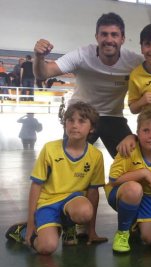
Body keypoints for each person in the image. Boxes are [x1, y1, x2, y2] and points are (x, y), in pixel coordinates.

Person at [33, 12, 151, 158]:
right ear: (96, 37)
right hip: (82, 115)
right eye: (104, 34)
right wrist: (39, 57)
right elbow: (43, 73)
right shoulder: (81, 56)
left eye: (114, 35)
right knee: (70, 162)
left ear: (122, 39)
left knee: (133, 159)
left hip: (113, 117)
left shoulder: (134, 62)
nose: (109, 39)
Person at [5, 102, 106, 254]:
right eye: (70, 120)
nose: (74, 125)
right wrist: (31, 222)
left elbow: (93, 192)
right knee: (47, 247)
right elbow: (36, 185)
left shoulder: (96, 156)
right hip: (48, 202)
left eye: (81, 121)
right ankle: (24, 230)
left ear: (91, 128)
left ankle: (69, 226)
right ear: (64, 123)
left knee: (85, 211)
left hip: (74, 201)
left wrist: (91, 231)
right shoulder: (50, 149)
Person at [104, 109, 151, 253]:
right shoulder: (128, 149)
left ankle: (134, 221)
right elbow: (114, 179)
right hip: (120, 192)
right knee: (135, 189)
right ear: (137, 133)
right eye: (146, 130)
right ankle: (122, 233)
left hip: (147, 198)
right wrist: (143, 173)